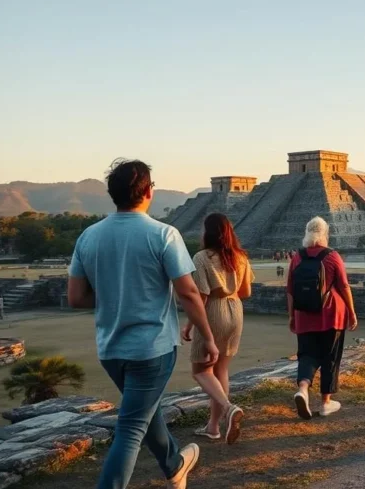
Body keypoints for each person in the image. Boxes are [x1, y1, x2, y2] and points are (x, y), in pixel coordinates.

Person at [67, 159, 213, 489]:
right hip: (152, 349)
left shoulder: (88, 237)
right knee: (131, 427)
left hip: (111, 350)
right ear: (148, 191)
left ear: (112, 194)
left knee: (144, 412)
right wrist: (208, 337)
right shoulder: (163, 234)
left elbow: (76, 297)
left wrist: (115, 297)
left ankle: (174, 464)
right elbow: (188, 293)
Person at [183, 213, 250, 444]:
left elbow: (200, 296)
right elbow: (246, 292)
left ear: (207, 232)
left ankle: (229, 408)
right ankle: (213, 427)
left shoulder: (202, 258)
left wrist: (190, 324)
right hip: (235, 311)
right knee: (220, 370)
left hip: (214, 311)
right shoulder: (240, 257)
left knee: (201, 371)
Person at [288, 217, 358, 419]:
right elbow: (344, 286)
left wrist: (291, 315)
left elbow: (290, 289)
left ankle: (302, 389)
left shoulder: (297, 257)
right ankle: (326, 402)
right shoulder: (332, 256)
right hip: (331, 315)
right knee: (330, 357)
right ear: (325, 234)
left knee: (307, 354)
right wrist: (352, 312)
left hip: (303, 314)